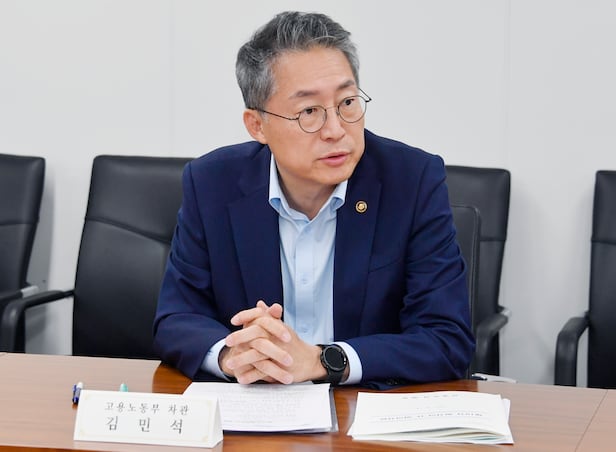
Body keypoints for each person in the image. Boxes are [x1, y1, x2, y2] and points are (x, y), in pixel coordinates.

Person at [153, 11, 474, 389]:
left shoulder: (412, 180)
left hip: (364, 410)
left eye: (347, 102)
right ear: (257, 125)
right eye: (309, 112)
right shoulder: (211, 183)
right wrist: (232, 354)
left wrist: (324, 360)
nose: (336, 130)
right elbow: (176, 319)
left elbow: (446, 339)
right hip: (255, 411)